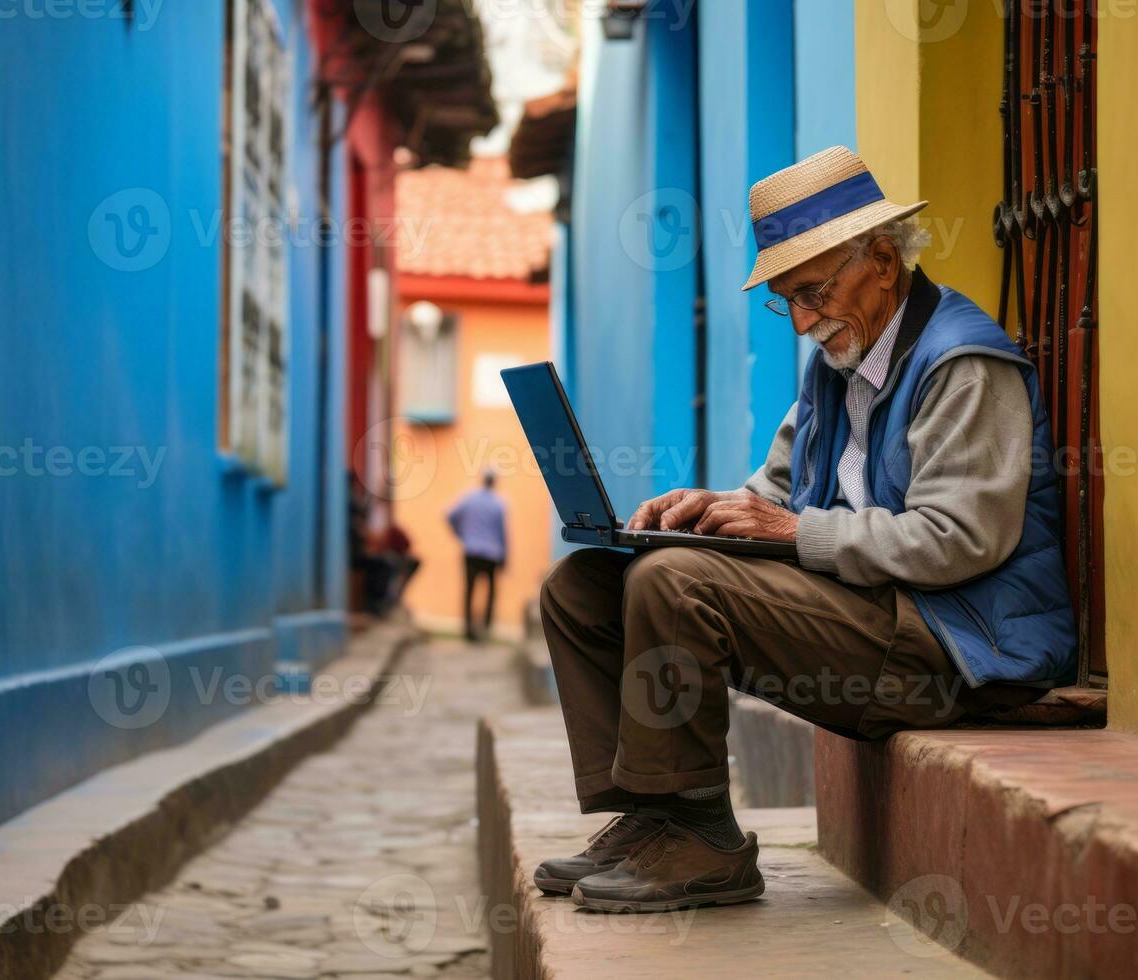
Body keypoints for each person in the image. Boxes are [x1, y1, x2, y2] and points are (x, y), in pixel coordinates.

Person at [534, 147, 1078, 913]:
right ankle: (655, 817)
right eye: (784, 300)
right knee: (585, 583)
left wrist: (789, 531)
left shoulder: (962, 363)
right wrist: (699, 511)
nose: (801, 320)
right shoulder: (836, 365)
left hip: (957, 646)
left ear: (882, 262)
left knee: (675, 584)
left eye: (813, 292)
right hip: (872, 619)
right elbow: (772, 495)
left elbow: (961, 538)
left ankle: (703, 842)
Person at [447, 471, 508, 641]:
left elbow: (449, 515)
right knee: (491, 592)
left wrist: (461, 534)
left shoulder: (469, 498)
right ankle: (486, 629)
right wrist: (505, 557)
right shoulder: (499, 504)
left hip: (471, 551)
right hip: (492, 554)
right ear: (494, 482)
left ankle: (468, 630)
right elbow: (502, 533)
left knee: (469, 590)